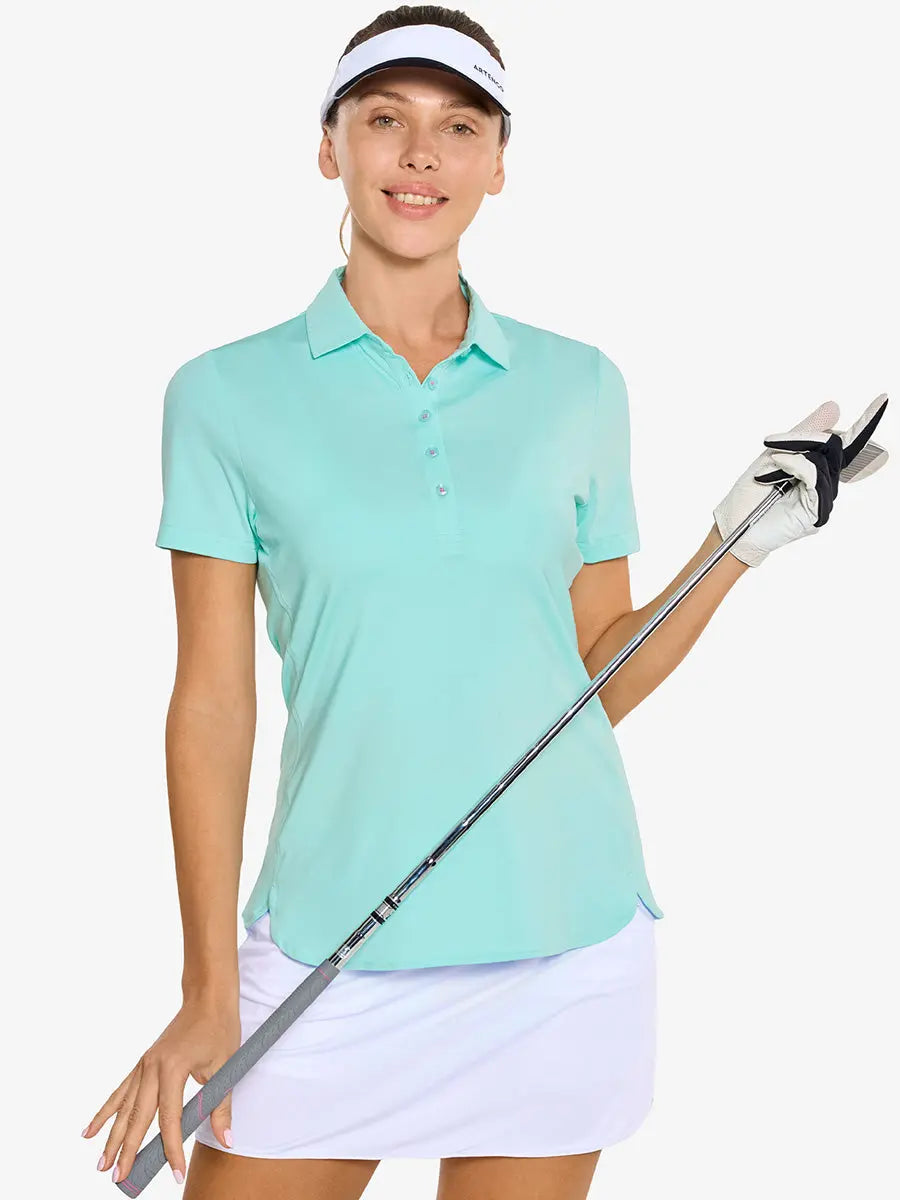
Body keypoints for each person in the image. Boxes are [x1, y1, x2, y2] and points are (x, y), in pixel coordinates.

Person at [81, 6, 888, 1199]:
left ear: (498, 163)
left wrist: (733, 548)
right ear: (329, 146)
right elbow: (211, 704)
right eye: (386, 119)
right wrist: (208, 987)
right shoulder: (221, 396)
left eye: (460, 126)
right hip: (329, 940)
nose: (422, 154)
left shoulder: (580, 386)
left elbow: (592, 677)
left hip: (560, 939)